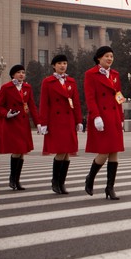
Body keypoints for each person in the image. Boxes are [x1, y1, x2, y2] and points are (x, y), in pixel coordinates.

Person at [84, 46, 125, 199]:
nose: (109, 59)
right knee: (104, 152)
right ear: (99, 58)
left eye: (111, 56)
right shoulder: (90, 74)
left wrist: (121, 117)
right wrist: (96, 116)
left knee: (114, 152)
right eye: (107, 56)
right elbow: (90, 97)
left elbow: (118, 95)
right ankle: (90, 178)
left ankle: (110, 187)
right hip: (101, 117)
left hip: (113, 116)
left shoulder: (115, 74)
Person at [39, 54, 83, 195]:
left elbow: (76, 102)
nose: (63, 66)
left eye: (64, 63)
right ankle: (55, 181)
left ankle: (62, 182)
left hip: (69, 120)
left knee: (67, 152)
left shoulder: (71, 81)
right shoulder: (48, 82)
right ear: (54, 66)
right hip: (56, 122)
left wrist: (79, 120)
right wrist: (43, 123)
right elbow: (44, 104)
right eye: (59, 63)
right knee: (61, 151)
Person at [0, 64, 40, 191]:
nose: (21, 74)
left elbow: (32, 105)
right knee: (17, 150)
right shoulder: (6, 87)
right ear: (12, 75)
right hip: (12, 123)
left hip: (24, 123)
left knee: (22, 152)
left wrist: (38, 123)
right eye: (19, 72)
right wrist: (6, 114)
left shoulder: (27, 87)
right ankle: (12, 178)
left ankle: (17, 180)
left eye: (23, 72)